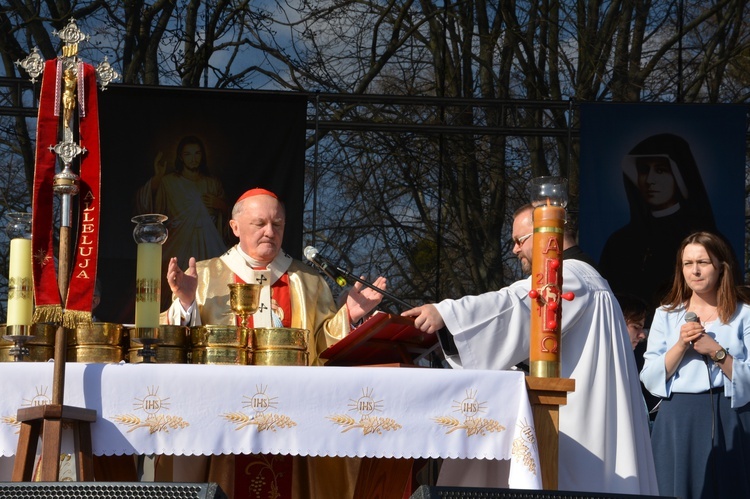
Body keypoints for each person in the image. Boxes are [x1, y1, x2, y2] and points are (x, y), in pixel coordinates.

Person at [402, 204, 658, 495]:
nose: (514, 250)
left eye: (519, 240)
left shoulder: (570, 276)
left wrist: (446, 315)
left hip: (574, 425)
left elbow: (517, 304)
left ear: (547, 235)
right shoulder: (589, 278)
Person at [163, 187, 386, 498]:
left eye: (277, 224)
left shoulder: (307, 280)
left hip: (293, 417)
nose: (270, 232)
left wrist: (347, 315)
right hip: (224, 416)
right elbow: (173, 344)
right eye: (260, 224)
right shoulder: (204, 274)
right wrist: (185, 303)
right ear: (235, 227)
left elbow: (322, 347)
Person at [640, 231, 750, 499]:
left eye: (703, 262)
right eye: (688, 264)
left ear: (721, 266)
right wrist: (680, 346)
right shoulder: (667, 314)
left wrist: (717, 353)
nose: (695, 271)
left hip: (731, 415)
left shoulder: (743, 312)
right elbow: (649, 378)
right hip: (678, 417)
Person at [599, 133, 719, 308]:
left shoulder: (704, 240)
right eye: (643, 170)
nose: (650, 180)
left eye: (661, 170)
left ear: (680, 176)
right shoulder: (619, 242)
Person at [136, 135, 229, 307]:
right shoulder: (168, 182)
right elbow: (148, 210)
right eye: (188, 154)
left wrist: (220, 205)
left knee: (210, 288)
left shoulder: (212, 183)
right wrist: (157, 177)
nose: (193, 159)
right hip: (178, 245)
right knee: (174, 287)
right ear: (180, 156)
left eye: (197, 153)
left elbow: (231, 220)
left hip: (209, 245)